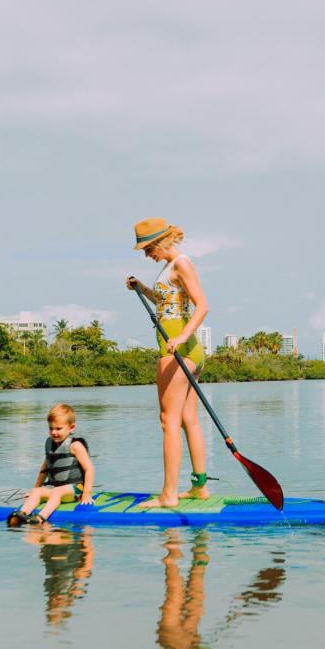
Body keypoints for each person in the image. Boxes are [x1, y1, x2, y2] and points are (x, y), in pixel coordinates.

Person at [127, 217, 210, 508]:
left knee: (168, 421)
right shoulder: (170, 268)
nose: (147, 255)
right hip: (188, 350)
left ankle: (169, 494)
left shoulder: (182, 264)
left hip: (179, 349)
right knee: (188, 419)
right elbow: (167, 305)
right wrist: (142, 288)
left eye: (148, 249)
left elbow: (202, 305)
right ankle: (200, 488)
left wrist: (181, 337)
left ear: (162, 241)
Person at [7, 403, 94, 525]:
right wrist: (35, 488)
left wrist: (86, 494)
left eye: (58, 429)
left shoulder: (75, 446)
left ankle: (41, 517)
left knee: (57, 492)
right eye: (51, 428)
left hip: (75, 490)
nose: (54, 432)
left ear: (71, 427)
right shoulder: (50, 444)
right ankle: (22, 514)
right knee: (38, 492)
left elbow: (89, 469)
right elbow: (44, 469)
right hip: (56, 489)